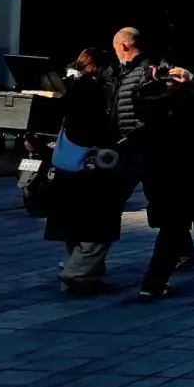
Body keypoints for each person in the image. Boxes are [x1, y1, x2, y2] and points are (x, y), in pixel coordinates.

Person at [45, 48, 124, 295]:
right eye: (108, 67)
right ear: (98, 67)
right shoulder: (92, 92)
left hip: (68, 167)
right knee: (97, 227)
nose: (112, 71)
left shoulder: (69, 88)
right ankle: (75, 273)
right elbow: (96, 130)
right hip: (88, 167)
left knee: (76, 228)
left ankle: (86, 277)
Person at [134, 62, 194, 299]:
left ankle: (188, 253)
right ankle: (153, 283)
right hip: (180, 170)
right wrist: (191, 81)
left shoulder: (146, 101)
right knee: (173, 225)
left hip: (154, 168)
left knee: (171, 219)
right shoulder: (184, 103)